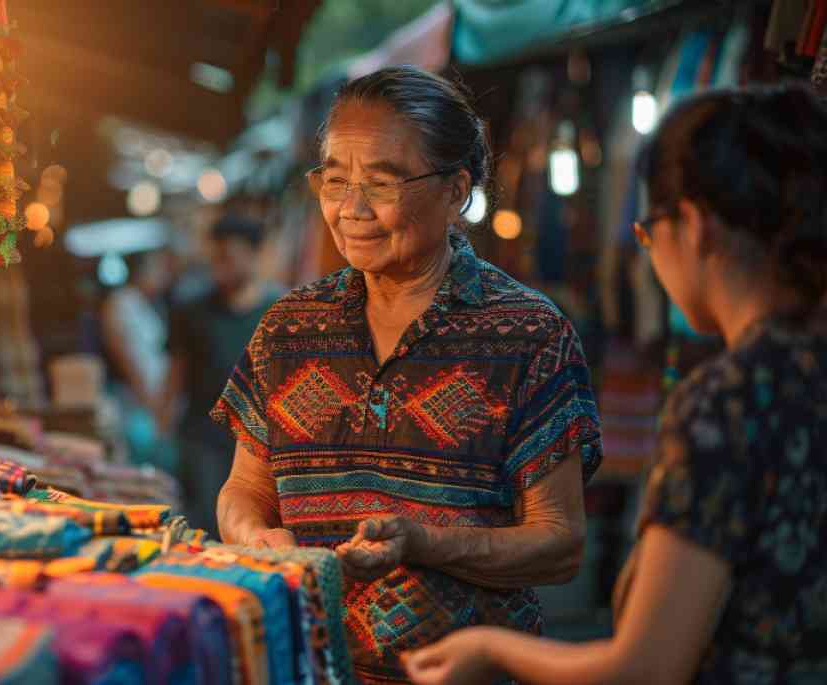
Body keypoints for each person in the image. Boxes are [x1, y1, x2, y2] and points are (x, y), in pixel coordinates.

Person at [402, 84, 827, 685]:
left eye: (649, 231)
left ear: (695, 227)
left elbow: (646, 668)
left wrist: (491, 650)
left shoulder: (726, 401)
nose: (648, 254)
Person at [210, 66, 603, 683]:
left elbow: (559, 545)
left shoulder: (531, 334)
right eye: (334, 181)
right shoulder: (287, 329)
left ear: (456, 191)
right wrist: (258, 538)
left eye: (381, 183)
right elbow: (243, 492)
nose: (351, 209)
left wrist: (425, 543)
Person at [164, 214, 284, 536]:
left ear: (254, 255)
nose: (220, 267)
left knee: (258, 524)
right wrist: (163, 427)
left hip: (263, 440)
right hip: (203, 434)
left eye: (228, 257)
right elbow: (176, 372)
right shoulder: (191, 310)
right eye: (216, 258)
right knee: (207, 520)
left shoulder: (281, 311)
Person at [101, 248, 176, 472]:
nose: (162, 275)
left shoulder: (146, 303)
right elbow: (123, 354)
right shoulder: (120, 303)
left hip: (154, 398)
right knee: (143, 456)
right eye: (157, 269)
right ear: (142, 271)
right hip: (136, 400)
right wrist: (148, 400)